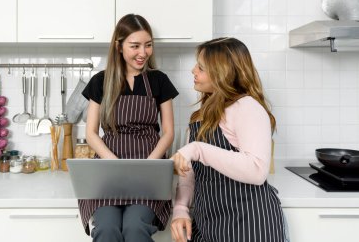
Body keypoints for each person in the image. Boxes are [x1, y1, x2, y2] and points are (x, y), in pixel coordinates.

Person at [170, 37, 288, 242]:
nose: (193, 70)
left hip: (249, 225)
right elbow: (188, 174)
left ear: (222, 73)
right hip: (208, 223)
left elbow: (257, 169)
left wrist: (198, 149)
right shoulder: (200, 117)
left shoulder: (247, 107)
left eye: (201, 67)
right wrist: (180, 209)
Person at [79, 14, 179, 242]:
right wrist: (114, 163)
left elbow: (169, 132)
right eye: (135, 46)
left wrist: (149, 165)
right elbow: (91, 133)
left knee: (135, 227)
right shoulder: (100, 81)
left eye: (148, 45)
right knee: (106, 228)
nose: (143, 53)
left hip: (149, 170)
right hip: (108, 170)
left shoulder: (159, 80)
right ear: (119, 47)